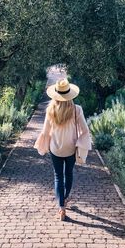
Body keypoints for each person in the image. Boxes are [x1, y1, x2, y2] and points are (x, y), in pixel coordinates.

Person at [34, 78, 92, 221]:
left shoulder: (50, 110)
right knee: (69, 174)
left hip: (55, 149)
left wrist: (43, 146)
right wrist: (80, 142)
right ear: (70, 94)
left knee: (58, 176)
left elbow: (45, 132)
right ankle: (65, 198)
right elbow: (85, 130)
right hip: (71, 149)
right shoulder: (76, 109)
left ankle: (61, 207)